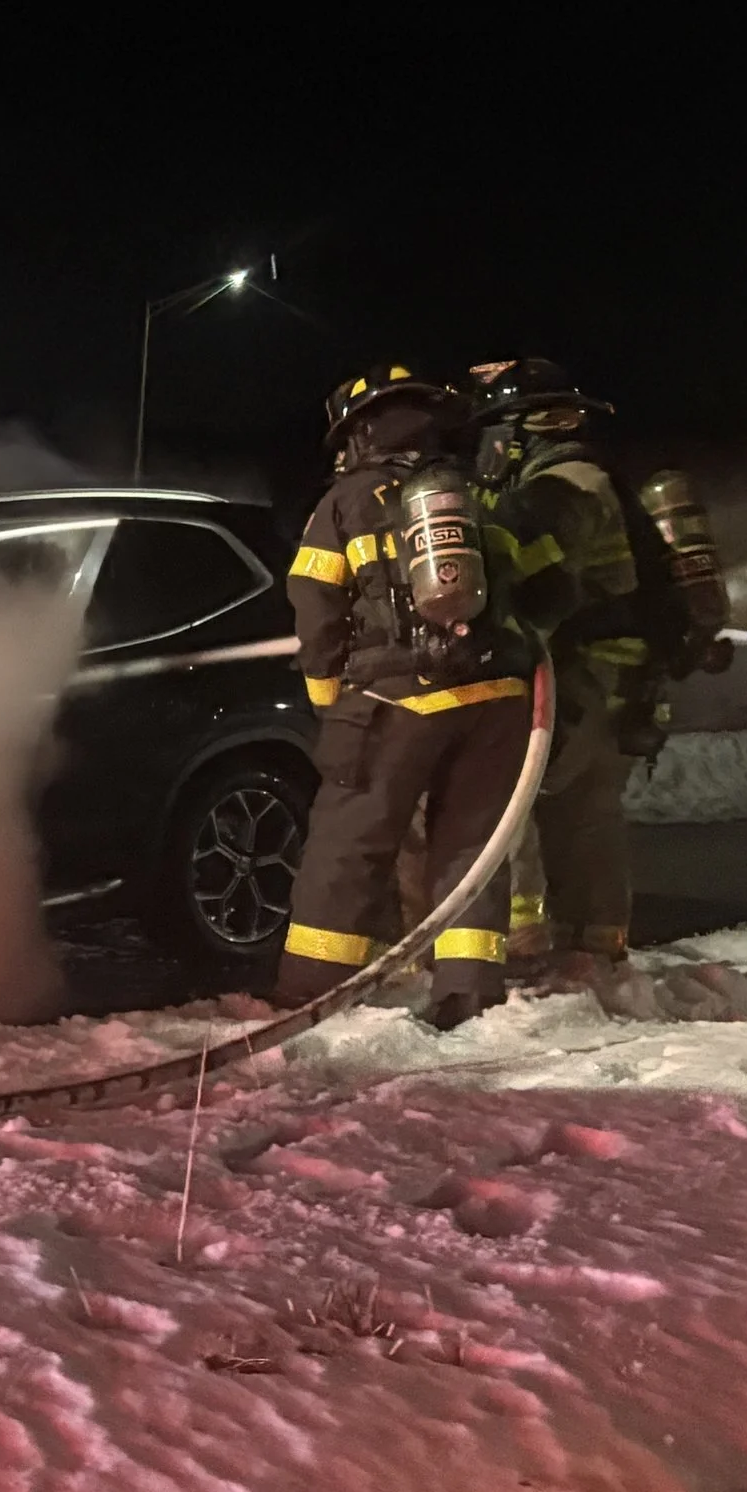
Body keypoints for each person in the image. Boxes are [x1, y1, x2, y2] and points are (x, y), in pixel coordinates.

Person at [280, 365, 536, 1029]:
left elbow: (314, 601)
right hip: (496, 697)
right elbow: (538, 587)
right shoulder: (475, 495)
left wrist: (330, 699)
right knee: (473, 847)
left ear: (362, 433)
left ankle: (312, 997)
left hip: (395, 697)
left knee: (348, 846)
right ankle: (469, 997)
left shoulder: (348, 500)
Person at [463, 359, 637, 966]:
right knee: (579, 810)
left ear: (519, 431)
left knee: (533, 794)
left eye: (492, 432)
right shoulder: (560, 478)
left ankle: (540, 941)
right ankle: (589, 946)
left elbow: (527, 565)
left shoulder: (569, 485)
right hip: (590, 667)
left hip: (592, 669)